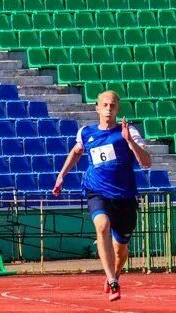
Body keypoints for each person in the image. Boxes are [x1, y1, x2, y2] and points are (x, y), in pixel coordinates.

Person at [52, 90, 151, 302]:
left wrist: (130, 142)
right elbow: (76, 152)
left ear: (118, 109)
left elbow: (146, 162)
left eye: (113, 105)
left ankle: (114, 275)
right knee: (102, 225)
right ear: (97, 108)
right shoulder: (86, 133)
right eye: (104, 105)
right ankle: (111, 280)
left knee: (121, 249)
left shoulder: (128, 131)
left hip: (124, 196)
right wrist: (61, 176)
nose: (108, 109)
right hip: (96, 191)